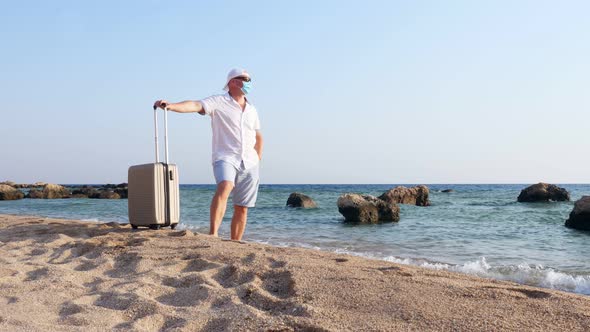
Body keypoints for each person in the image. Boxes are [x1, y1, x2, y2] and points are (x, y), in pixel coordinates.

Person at [153, 68, 263, 241]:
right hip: (225, 156)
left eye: (249, 79)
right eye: (245, 79)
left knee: (242, 207)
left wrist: (258, 157)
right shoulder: (218, 101)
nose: (249, 82)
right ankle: (213, 234)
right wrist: (172, 106)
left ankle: (236, 242)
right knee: (225, 185)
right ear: (233, 82)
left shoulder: (252, 110)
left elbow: (258, 135)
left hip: (250, 162)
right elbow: (195, 105)